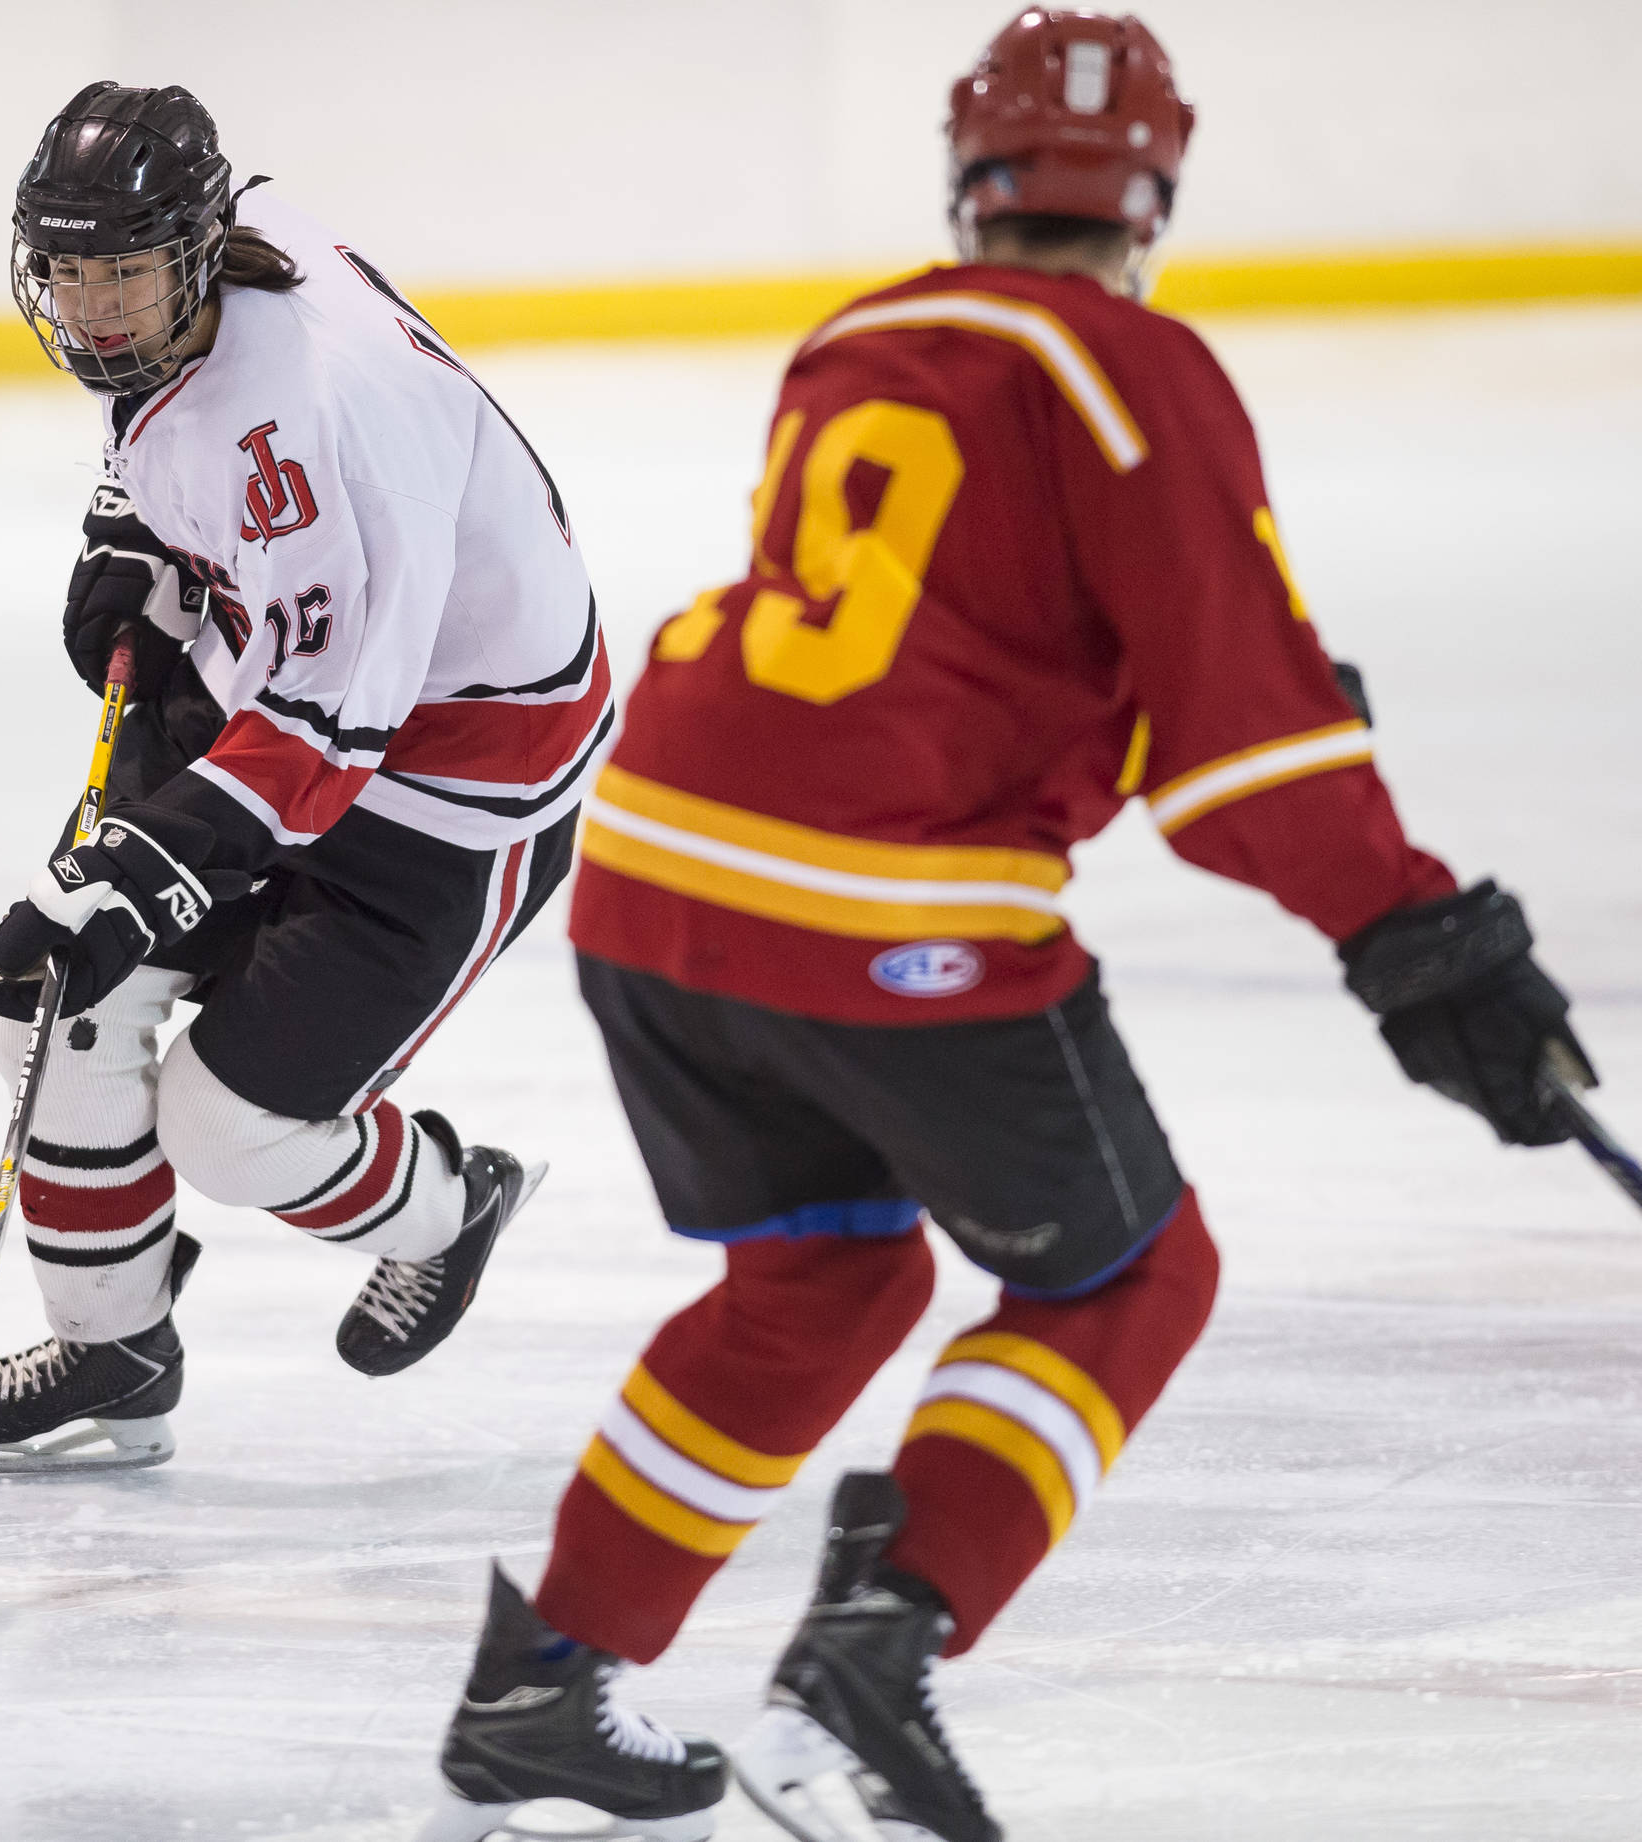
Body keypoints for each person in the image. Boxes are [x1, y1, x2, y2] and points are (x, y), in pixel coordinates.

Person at [417, 11, 1598, 1841]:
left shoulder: (864, 333)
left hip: (653, 874)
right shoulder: (1140, 370)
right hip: (880, 916)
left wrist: (1173, 695)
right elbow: (1242, 772)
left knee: (826, 1274)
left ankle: (542, 1683)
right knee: (1133, 1270)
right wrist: (1420, 938)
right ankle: (867, 1669)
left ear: (967, 179)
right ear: (1154, 194)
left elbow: (943, 648)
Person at [0, 82, 611, 1474]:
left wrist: (148, 869)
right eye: (67, 269)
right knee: (57, 1001)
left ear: (183, 250)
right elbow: (201, 463)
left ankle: (446, 1206)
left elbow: (325, 729)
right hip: (297, 679)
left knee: (230, 1129)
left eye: (121, 271)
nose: (94, 306)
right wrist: (139, 529)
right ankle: (115, 1345)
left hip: (452, 778)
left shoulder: (297, 426)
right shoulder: (238, 241)